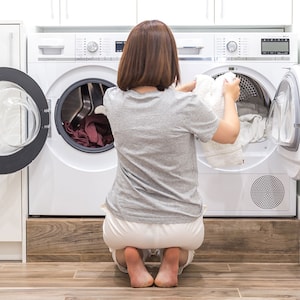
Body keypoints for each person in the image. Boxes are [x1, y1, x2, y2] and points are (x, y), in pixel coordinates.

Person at [102, 20, 240, 288]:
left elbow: (152, 107)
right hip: (182, 225)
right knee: (185, 248)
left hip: (124, 224)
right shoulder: (187, 106)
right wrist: (229, 98)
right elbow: (230, 134)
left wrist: (182, 90)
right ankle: (173, 256)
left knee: (118, 251)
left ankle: (130, 256)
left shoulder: (112, 100)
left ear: (127, 58)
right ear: (169, 60)